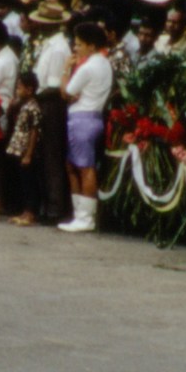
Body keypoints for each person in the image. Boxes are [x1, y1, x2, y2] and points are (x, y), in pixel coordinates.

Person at [57, 16, 112, 233]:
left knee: (85, 167)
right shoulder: (103, 63)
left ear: (91, 45)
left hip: (82, 118)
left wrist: (65, 69)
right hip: (90, 117)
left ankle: (86, 218)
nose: (75, 48)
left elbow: (66, 92)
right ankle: (80, 214)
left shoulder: (88, 67)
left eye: (79, 44)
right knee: (74, 165)